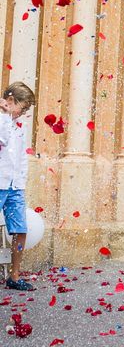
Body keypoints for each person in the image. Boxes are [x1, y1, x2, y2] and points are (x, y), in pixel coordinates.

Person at [0, 81, 36, 291]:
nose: (23, 114)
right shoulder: (3, 121)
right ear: (11, 101)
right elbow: (1, 141)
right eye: (22, 108)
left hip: (14, 187)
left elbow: (21, 158)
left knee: (20, 229)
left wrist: (21, 182)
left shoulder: (16, 127)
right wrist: (4, 115)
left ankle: (14, 275)